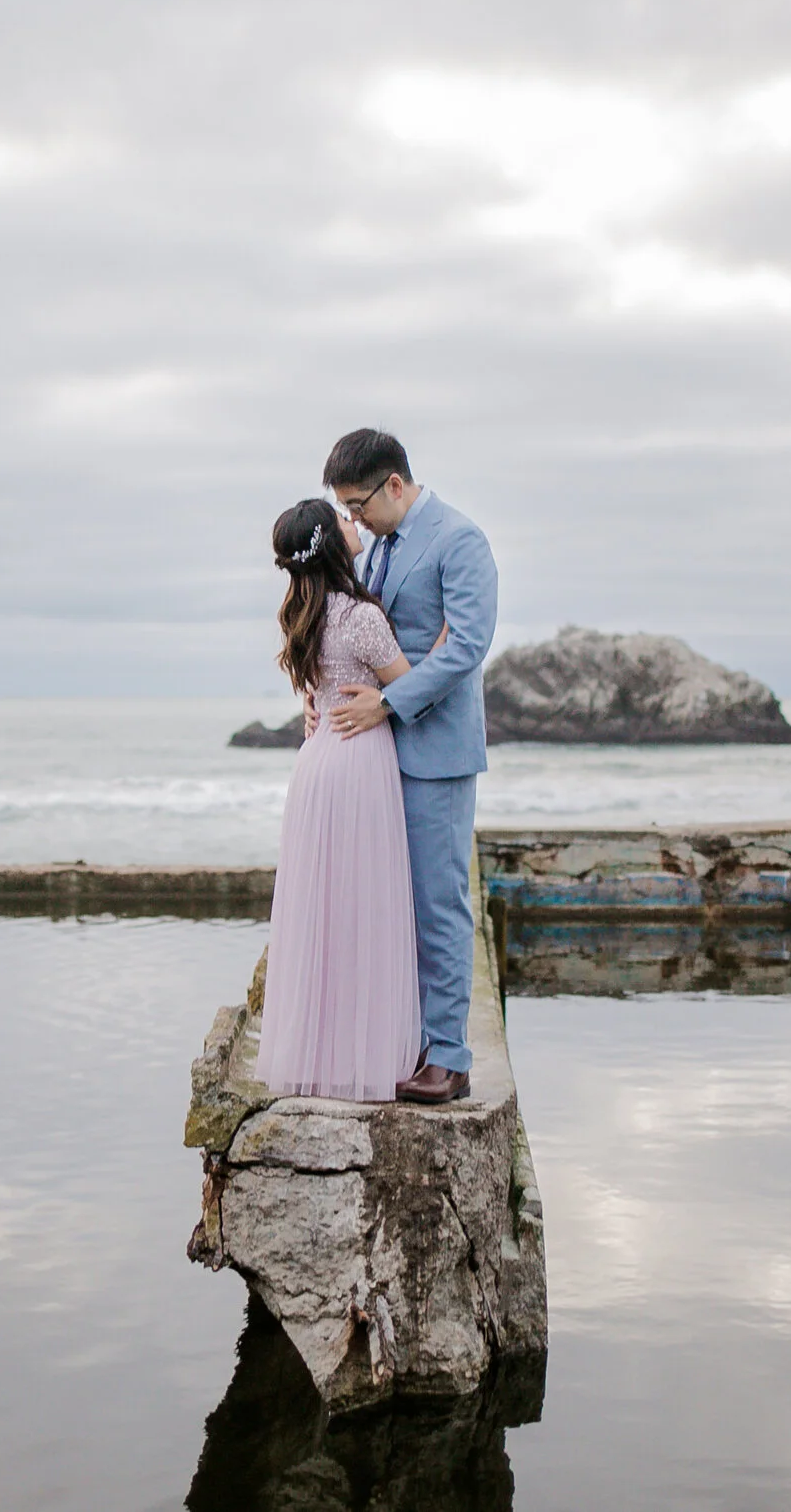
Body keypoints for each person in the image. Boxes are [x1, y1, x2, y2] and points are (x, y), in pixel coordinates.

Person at [322, 429, 498, 1105]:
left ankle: (449, 1058)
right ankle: (408, 1041)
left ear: (394, 484)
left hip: (437, 753)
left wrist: (390, 702)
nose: (355, 519)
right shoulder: (379, 548)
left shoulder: (460, 540)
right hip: (380, 754)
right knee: (390, 904)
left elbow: (466, 647)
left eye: (358, 505)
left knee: (437, 905)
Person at [253, 499, 425, 1101]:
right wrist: (447, 645)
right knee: (364, 909)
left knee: (324, 913)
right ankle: (365, 1056)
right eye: (344, 519)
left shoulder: (305, 615)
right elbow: (412, 688)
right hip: (358, 765)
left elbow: (318, 686)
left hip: (316, 765)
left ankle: (319, 1053)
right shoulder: (360, 617)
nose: (354, 524)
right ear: (331, 541)